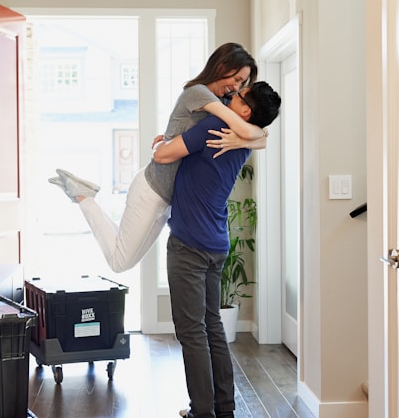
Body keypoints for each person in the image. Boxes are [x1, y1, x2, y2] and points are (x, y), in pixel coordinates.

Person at [49, 43, 268, 273]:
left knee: (124, 256)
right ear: (222, 66)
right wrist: (245, 136)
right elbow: (246, 128)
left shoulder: (222, 101)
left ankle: (84, 195)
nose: (236, 87)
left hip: (166, 200)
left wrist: (243, 140)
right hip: (151, 189)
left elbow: (263, 137)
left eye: (242, 84)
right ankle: (84, 196)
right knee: (119, 262)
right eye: (237, 79)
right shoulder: (199, 93)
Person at [153, 82, 281, 418]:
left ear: (245, 111)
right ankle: (224, 409)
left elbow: (163, 155)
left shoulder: (217, 126)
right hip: (215, 242)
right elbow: (259, 135)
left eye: (238, 96)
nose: (230, 96)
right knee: (211, 327)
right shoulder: (248, 140)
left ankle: (202, 412)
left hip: (189, 244)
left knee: (192, 332)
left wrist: (162, 145)